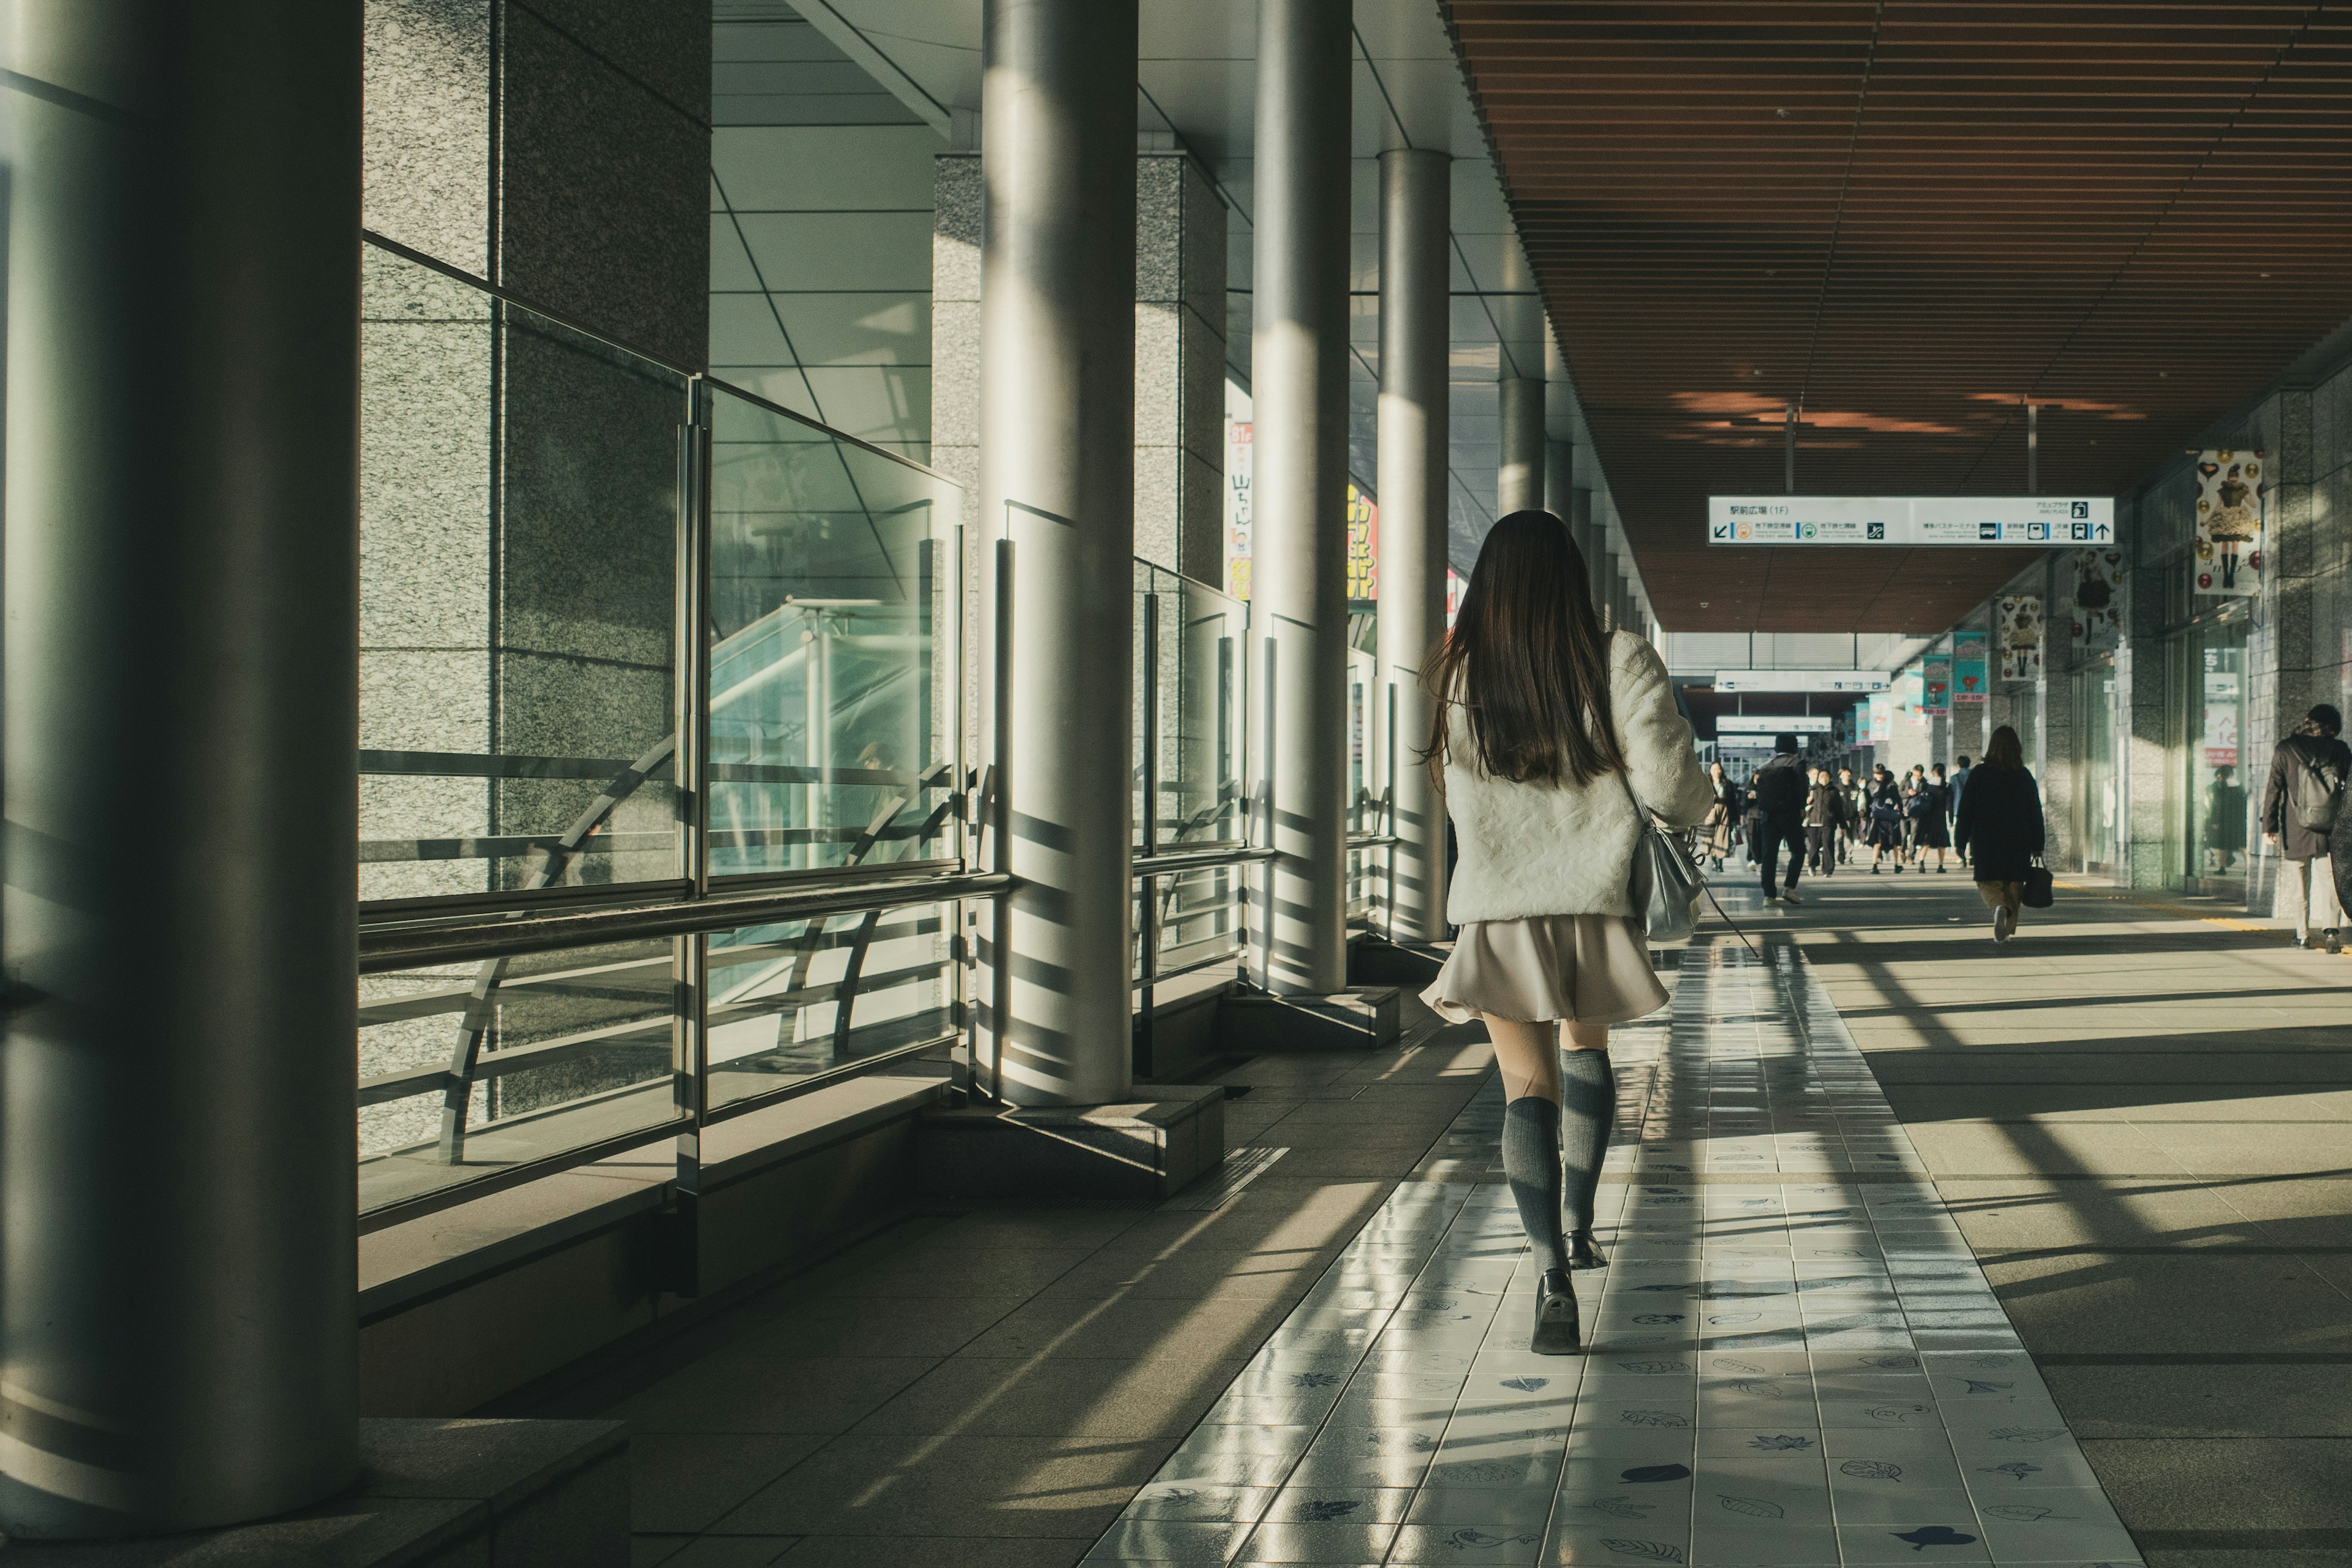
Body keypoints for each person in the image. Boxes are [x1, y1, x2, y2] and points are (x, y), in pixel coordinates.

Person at [1418, 511, 1713, 1354]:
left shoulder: (1456, 669)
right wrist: (1702, 808)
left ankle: (1550, 1274)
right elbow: (1665, 777)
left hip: (1498, 907)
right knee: (1588, 1055)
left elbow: (1448, 788)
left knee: (1525, 1089)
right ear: (1572, 577)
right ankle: (1582, 1224)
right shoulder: (1614, 655)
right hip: (1591, 901)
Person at [2261, 704, 2351, 952]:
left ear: (2307, 720)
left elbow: (2274, 790)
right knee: (2330, 879)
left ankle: (2302, 936)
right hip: (2330, 827)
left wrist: (2269, 826)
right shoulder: (2340, 749)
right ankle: (2332, 931)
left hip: (2296, 826)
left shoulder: (2286, 749)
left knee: (2299, 882)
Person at [1954, 723, 2046, 943]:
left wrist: (1960, 841)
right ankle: (2008, 928)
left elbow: (1966, 810)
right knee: (2014, 884)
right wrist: (2038, 843)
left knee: (1987, 882)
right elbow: (2036, 812)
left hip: (1986, 839)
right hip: (2018, 839)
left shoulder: (1979, 774)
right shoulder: (2024, 776)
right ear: (2018, 748)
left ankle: (1998, 907)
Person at [1749, 734, 1810, 905]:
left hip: (1768, 816)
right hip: (1789, 814)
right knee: (1798, 851)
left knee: (1769, 855)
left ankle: (1769, 896)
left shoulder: (1768, 767)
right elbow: (1801, 788)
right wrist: (1802, 807)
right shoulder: (1797, 764)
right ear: (1794, 746)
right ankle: (1790, 888)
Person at [1804, 764, 1847, 876]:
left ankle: (1828, 870)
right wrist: (1807, 802)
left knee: (1828, 846)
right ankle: (1812, 865)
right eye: (1821, 775)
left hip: (1828, 823)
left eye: (1826, 776)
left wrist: (1843, 826)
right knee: (1813, 847)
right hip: (1813, 823)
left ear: (1829, 778)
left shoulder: (1834, 791)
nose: (1823, 777)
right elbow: (1802, 806)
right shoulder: (1812, 790)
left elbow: (1839, 810)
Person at [2205, 763, 2247, 875]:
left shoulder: (2221, 787)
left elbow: (2218, 805)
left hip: (2225, 820)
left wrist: (2214, 820)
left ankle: (2222, 868)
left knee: (2223, 845)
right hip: (2239, 821)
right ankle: (2249, 868)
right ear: (2232, 774)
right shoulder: (2240, 787)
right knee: (2241, 844)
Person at [1702, 760, 1741, 873]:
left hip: (1725, 813)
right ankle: (1714, 860)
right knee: (1710, 837)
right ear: (1710, 770)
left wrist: (1735, 818)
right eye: (1714, 769)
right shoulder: (1706, 783)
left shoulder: (1727, 783)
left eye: (1719, 769)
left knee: (1722, 837)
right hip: (1711, 813)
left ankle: (1720, 863)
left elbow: (1733, 801)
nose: (1717, 772)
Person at [1915, 761, 1954, 872]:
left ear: (1933, 772)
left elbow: (1919, 800)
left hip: (1926, 817)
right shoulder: (1947, 786)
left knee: (1926, 840)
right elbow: (1950, 805)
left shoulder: (1926, 785)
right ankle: (1940, 866)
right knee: (1942, 842)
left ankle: (1921, 863)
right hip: (1940, 818)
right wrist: (1951, 820)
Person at [1864, 763, 1905, 871]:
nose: (1880, 776)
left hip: (1878, 817)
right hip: (1890, 818)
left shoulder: (1875, 787)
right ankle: (1896, 865)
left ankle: (1874, 866)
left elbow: (1869, 799)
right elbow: (1898, 801)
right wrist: (1900, 812)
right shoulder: (1892, 787)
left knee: (1878, 842)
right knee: (1895, 842)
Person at [1950, 754, 1974, 865]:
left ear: (1958, 765)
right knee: (1973, 833)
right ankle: (1972, 855)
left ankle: (1962, 855)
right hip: (1974, 809)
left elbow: (1951, 796)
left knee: (1960, 833)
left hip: (1958, 809)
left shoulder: (1954, 778)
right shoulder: (1974, 775)